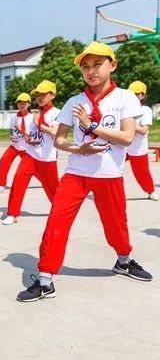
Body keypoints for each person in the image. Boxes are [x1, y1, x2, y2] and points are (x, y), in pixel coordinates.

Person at [17, 42, 153, 303]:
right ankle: (45, 278)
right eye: (86, 67)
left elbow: (126, 137)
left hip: (109, 175)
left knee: (116, 226)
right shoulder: (74, 102)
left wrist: (92, 125)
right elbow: (59, 141)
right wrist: (80, 150)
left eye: (97, 64)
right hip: (76, 174)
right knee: (56, 222)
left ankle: (123, 260)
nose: (91, 71)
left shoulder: (125, 97)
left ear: (112, 65)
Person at [2, 81, 60, 225]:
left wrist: (39, 123)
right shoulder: (37, 114)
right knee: (18, 180)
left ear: (52, 95)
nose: (39, 97)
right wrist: (24, 135)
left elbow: (55, 132)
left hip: (47, 158)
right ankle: (13, 213)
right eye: (38, 95)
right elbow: (33, 136)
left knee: (52, 188)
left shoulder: (57, 113)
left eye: (43, 94)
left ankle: (60, 210)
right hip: (31, 154)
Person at [125, 81, 159, 201]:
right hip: (122, 146)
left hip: (137, 148)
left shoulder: (145, 110)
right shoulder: (123, 108)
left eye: (136, 94)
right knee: (106, 165)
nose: (133, 96)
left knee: (142, 173)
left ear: (142, 95)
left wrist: (129, 122)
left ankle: (150, 191)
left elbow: (144, 130)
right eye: (131, 94)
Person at [0, 93, 31, 195]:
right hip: (14, 145)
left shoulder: (32, 118)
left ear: (29, 104)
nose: (21, 105)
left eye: (24, 103)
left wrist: (20, 130)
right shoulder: (14, 117)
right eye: (19, 103)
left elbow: (31, 136)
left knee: (35, 169)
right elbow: (11, 130)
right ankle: (0, 185)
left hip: (27, 148)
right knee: (4, 161)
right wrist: (11, 136)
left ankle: (48, 182)